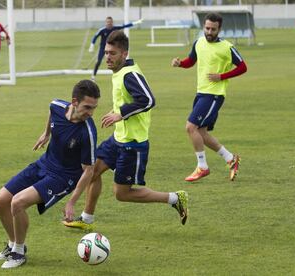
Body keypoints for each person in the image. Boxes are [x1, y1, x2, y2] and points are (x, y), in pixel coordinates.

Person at [63, 31, 188, 232]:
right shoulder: (119, 72)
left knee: (122, 194)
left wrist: (120, 114)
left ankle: (174, 198)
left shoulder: (130, 74)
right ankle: (86, 219)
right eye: (106, 53)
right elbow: (130, 100)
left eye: (112, 53)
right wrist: (116, 111)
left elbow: (148, 100)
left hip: (133, 144)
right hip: (118, 139)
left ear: (124, 53)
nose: (108, 57)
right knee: (92, 171)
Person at [0, 80, 100, 269]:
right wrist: (46, 133)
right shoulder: (57, 106)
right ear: (74, 102)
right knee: (0, 201)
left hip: (63, 177)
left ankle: (18, 253)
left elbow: (89, 171)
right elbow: (51, 112)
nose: (90, 113)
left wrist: (72, 202)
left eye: (94, 108)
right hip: (44, 163)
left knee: (17, 202)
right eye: (87, 107)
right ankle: (13, 245)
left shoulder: (87, 132)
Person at [171, 12, 247, 182]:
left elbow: (243, 67)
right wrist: (180, 63)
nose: (209, 32)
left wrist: (222, 76)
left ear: (219, 29)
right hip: (201, 93)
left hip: (214, 95)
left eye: (213, 29)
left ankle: (202, 167)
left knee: (191, 127)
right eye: (207, 28)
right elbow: (191, 61)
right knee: (201, 133)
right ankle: (230, 159)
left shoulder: (227, 47)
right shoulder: (199, 42)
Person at [89, 16, 143, 81]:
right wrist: (92, 45)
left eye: (110, 22)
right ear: (105, 23)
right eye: (108, 22)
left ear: (112, 22)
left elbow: (125, 26)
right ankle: (93, 76)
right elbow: (95, 37)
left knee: (117, 61)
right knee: (98, 62)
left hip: (113, 49)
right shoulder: (102, 30)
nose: (109, 23)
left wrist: (136, 22)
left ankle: (120, 75)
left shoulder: (115, 28)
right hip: (103, 48)